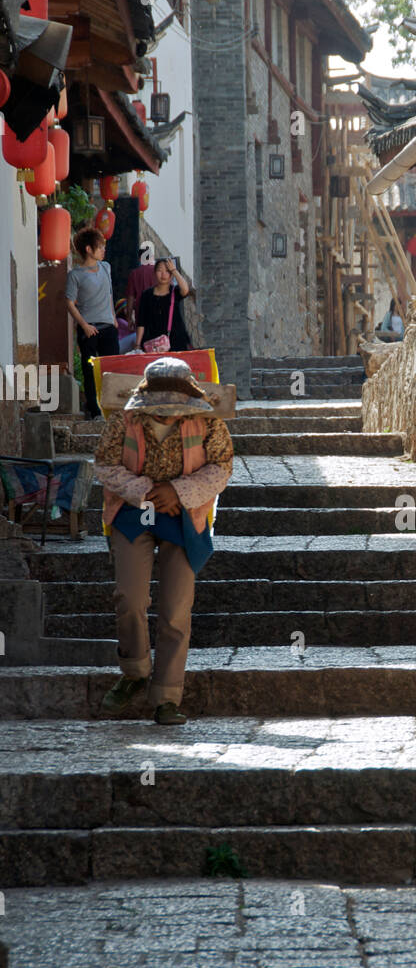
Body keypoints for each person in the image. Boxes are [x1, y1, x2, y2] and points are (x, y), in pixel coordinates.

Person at [93, 357, 234, 726]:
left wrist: (178, 491)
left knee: (175, 609)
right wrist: (145, 492)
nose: (170, 417)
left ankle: (167, 698)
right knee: (130, 597)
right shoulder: (123, 420)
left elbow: (221, 467)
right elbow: (105, 465)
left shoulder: (207, 422)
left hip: (183, 517)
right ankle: (135, 672)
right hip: (133, 512)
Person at [65, 229, 118, 419]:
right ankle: (94, 411)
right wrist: (84, 325)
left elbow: (110, 293)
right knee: (89, 371)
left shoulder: (106, 267)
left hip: (108, 327)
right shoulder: (75, 275)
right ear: (89, 249)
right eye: (100, 246)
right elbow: (69, 303)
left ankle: (112, 410)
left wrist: (112, 317)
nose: (104, 249)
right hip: (88, 329)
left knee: (111, 371)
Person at [136, 258, 192, 352]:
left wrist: (174, 270)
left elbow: (185, 290)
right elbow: (141, 322)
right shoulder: (146, 295)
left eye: (167, 271)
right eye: (159, 270)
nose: (163, 274)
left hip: (176, 343)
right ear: (154, 273)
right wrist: (137, 344)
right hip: (153, 345)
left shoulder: (175, 292)